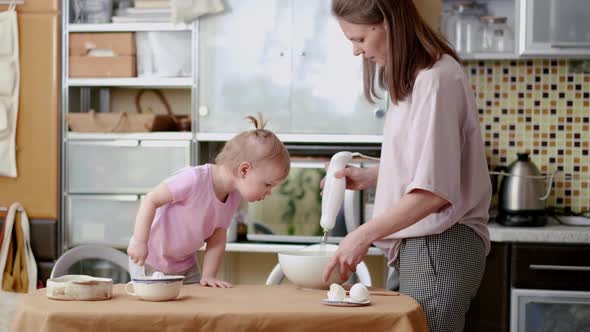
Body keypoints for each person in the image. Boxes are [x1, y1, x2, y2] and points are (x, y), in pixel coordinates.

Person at [322, 1, 492, 331]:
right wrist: (372, 177)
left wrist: (360, 236)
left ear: (386, 23)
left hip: (440, 246)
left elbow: (434, 193)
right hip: (424, 246)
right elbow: (428, 164)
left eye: (358, 39)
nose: (357, 52)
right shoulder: (415, 79)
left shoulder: (435, 79)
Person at [128, 114, 290, 288]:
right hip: (150, 259)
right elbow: (150, 200)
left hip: (186, 265)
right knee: (154, 311)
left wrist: (209, 276)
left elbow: (217, 238)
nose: (269, 192)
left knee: (194, 309)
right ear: (244, 170)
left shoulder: (232, 196)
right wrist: (139, 242)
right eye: (267, 184)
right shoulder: (193, 179)